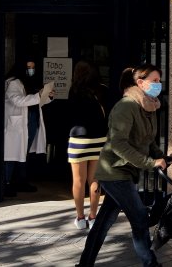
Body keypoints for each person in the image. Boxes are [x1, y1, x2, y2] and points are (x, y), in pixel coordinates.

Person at [77, 64, 172, 267]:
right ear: (140, 83)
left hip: (127, 171)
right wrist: (150, 162)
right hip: (114, 171)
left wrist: (163, 157)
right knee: (140, 217)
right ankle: (151, 264)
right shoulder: (126, 106)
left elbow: (148, 141)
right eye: (155, 81)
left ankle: (84, 264)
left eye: (160, 81)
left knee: (103, 223)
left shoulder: (149, 107)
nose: (159, 85)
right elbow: (118, 143)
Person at [4, 60, 54, 197]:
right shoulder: (13, 82)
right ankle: (7, 183)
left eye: (33, 67)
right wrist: (39, 96)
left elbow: (35, 101)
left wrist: (47, 97)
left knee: (23, 152)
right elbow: (18, 101)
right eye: (28, 67)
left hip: (30, 121)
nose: (31, 70)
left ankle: (21, 181)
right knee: (12, 154)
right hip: (17, 125)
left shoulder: (27, 81)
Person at [68, 60, 108, 230]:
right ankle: (93, 217)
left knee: (78, 181)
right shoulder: (102, 89)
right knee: (95, 180)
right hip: (99, 139)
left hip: (78, 139)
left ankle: (80, 218)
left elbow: (70, 114)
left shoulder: (74, 90)